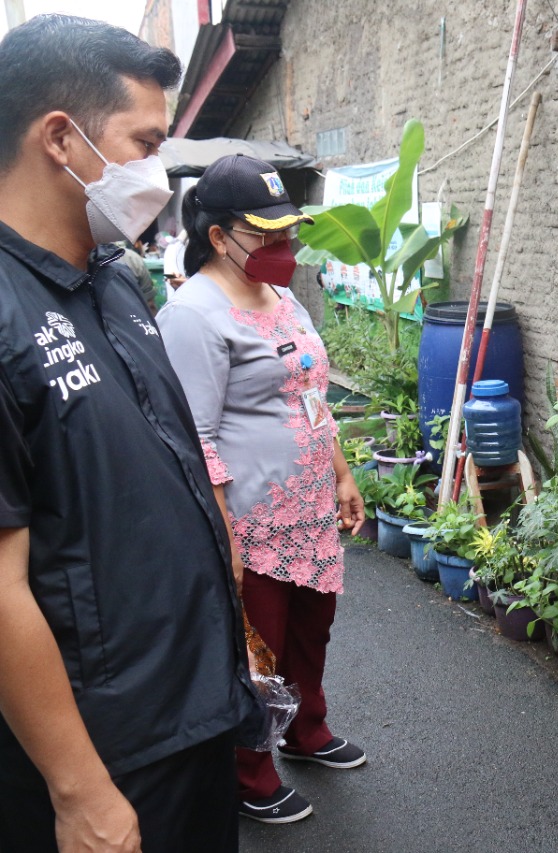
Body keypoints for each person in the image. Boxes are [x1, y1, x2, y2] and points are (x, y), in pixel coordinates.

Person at [0, 15, 256, 853]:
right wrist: (80, 791)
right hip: (106, 753)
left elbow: (165, 450)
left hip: (192, 711)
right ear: (60, 139)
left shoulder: (115, 282)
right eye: (144, 143)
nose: (157, 171)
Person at [157, 154, 367, 825]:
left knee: (312, 630)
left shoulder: (283, 296)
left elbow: (313, 394)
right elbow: (195, 435)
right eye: (267, 234)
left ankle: (307, 729)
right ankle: (249, 771)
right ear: (219, 236)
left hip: (308, 507)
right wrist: (224, 534)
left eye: (288, 232)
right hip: (250, 517)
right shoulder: (193, 314)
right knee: (257, 650)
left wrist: (340, 472)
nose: (284, 246)